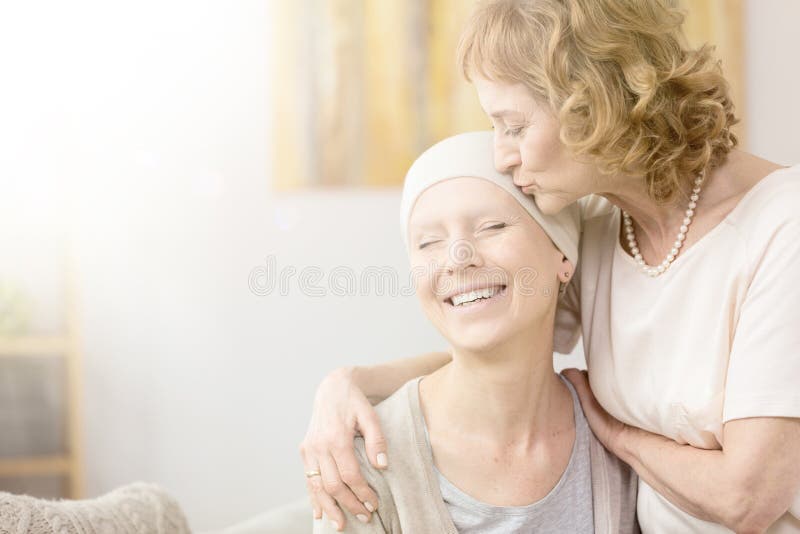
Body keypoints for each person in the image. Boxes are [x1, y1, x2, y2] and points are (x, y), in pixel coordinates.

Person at [300, 1, 800, 532]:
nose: (502, 156)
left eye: (512, 126)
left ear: (591, 105)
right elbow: (499, 355)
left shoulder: (781, 228)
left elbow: (748, 497)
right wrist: (348, 385)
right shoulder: (605, 224)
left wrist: (615, 434)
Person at [312, 131, 637, 534]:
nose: (456, 259)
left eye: (492, 226)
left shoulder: (623, 437)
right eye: (428, 241)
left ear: (563, 255)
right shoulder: (361, 460)